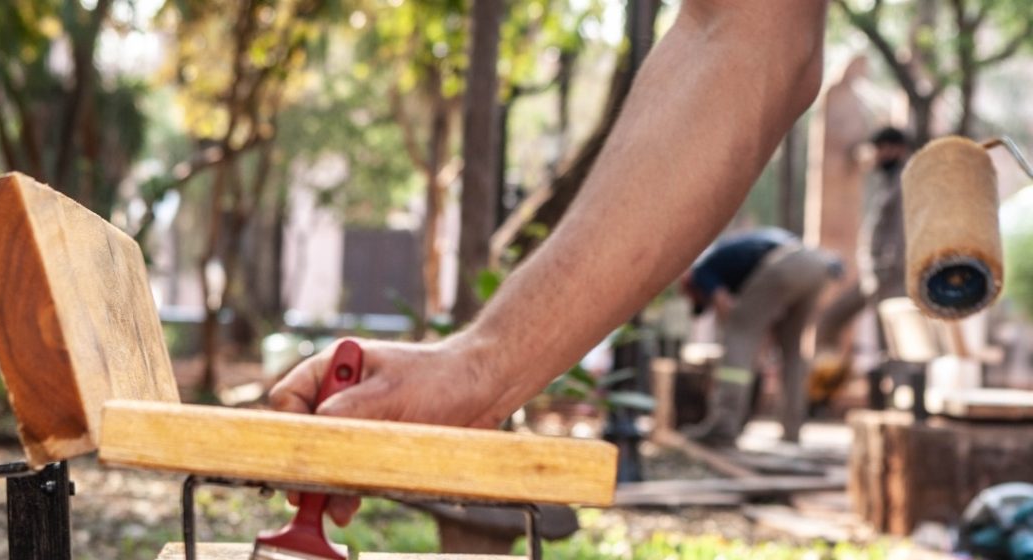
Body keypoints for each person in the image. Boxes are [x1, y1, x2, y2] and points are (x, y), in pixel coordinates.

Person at [272, 0, 831, 523]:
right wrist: (477, 369)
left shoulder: (706, 275)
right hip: (813, 266)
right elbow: (743, 35)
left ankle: (733, 423)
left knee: (744, 336)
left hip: (791, 266)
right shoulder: (719, 267)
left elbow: (747, 36)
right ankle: (781, 424)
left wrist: (478, 366)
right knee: (780, 347)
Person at [679, 228, 841, 446]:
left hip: (786, 263)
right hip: (816, 266)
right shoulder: (737, 264)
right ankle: (792, 429)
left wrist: (742, 336)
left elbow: (726, 308)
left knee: (738, 333)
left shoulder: (700, 271)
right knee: (791, 348)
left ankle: (724, 425)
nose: (706, 305)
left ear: (691, 289)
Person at [810, 125, 913, 399]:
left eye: (881, 149)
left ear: (898, 150)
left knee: (892, 340)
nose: (877, 156)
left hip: (892, 277)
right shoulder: (887, 182)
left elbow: (902, 233)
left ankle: (899, 396)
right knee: (829, 320)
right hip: (872, 276)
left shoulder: (907, 182)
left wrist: (886, 269)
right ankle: (825, 385)